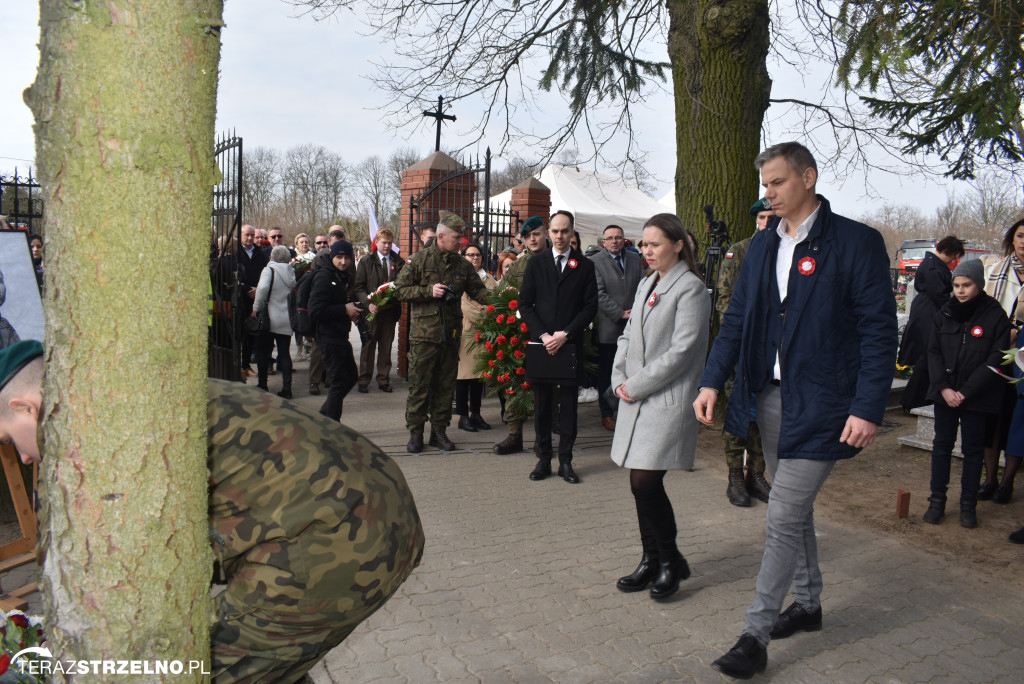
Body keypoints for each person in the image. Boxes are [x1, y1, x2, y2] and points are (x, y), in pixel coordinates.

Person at [0, 340, 424, 683]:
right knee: (269, 664)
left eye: (7, 439)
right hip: (379, 511)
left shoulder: (102, 434)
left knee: (194, 672)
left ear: (25, 408)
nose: (19, 456)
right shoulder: (127, 395)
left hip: (337, 540)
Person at [693, 141, 897, 679]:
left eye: (778, 183)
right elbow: (736, 320)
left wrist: (868, 407)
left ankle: (754, 635)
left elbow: (880, 332)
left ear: (808, 178)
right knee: (791, 509)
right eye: (765, 185)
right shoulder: (762, 246)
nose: (769, 194)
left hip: (828, 404)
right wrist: (713, 380)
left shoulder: (856, 242)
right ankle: (807, 604)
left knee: (781, 516)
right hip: (771, 399)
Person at [611, 213, 709, 600]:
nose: (646, 251)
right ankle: (653, 559)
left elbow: (682, 353)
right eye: (644, 244)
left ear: (678, 244)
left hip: (664, 399)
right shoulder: (647, 282)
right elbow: (627, 335)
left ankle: (668, 561)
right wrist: (619, 377)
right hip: (636, 395)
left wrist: (634, 386)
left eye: (654, 244)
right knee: (640, 484)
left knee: (645, 481)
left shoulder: (691, 290)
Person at [394, 212, 491, 453]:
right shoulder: (419, 260)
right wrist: (428, 291)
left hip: (450, 337)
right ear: (441, 236)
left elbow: (480, 293)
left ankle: (439, 432)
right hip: (423, 337)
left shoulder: (462, 265)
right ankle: (415, 433)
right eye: (457, 237)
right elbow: (399, 290)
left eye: (462, 237)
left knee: (445, 386)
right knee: (419, 386)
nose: (461, 242)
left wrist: (507, 300)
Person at [923, 259, 1010, 527]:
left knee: (973, 451)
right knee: (941, 447)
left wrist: (967, 391)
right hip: (945, 394)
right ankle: (937, 501)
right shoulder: (945, 312)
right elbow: (933, 352)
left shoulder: (995, 315)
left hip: (978, 396)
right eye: (956, 285)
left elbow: (997, 357)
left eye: (967, 285)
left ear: (979, 284)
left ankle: (968, 505)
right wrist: (945, 388)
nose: (960, 291)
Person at [519, 210, 599, 483]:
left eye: (565, 231)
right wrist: (543, 335)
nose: (560, 236)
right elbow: (525, 305)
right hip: (542, 345)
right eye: (555, 231)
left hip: (569, 345)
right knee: (541, 407)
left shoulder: (585, 266)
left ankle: (566, 461)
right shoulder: (536, 264)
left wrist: (565, 334)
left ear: (572, 232)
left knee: (568, 408)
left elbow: (590, 307)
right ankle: (543, 460)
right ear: (548, 232)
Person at [714, 198, 774, 507]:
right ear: (756, 221)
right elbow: (724, 301)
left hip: (772, 353)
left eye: (771, 216)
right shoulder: (738, 252)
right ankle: (735, 475)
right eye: (762, 217)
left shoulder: (785, 253)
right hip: (741, 349)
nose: (767, 222)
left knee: (763, 415)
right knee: (738, 412)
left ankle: (758, 474)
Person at [493, 216, 549, 455]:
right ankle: (514, 435)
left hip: (548, 335)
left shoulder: (556, 261)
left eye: (536, 233)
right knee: (515, 385)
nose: (532, 239)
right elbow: (500, 295)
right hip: (519, 334)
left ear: (545, 234)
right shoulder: (518, 264)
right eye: (527, 236)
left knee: (546, 389)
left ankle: (542, 438)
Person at [979, 216, 1024, 503]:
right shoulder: (996, 270)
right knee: (991, 417)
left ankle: (1007, 483)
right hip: (997, 351)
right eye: (1021, 236)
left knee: (1017, 419)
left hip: (1023, 357)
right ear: (1012, 239)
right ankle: (990, 479)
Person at [898, 235, 965, 410]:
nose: (954, 260)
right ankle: (913, 400)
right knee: (927, 356)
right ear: (952, 253)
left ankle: (917, 398)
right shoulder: (933, 267)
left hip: (927, 310)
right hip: (930, 312)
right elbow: (940, 295)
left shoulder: (932, 264)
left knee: (928, 357)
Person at [592, 224, 644, 431]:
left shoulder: (634, 259)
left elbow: (643, 285)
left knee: (631, 370)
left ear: (624, 240)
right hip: (609, 327)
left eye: (618, 237)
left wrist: (636, 311)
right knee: (607, 372)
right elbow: (598, 293)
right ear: (603, 242)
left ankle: (627, 410)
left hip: (634, 326)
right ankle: (606, 413)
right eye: (610, 238)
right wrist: (620, 313)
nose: (615, 241)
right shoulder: (595, 262)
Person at [308, 240, 360, 421]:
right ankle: (331, 425)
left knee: (351, 377)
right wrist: (344, 309)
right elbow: (315, 311)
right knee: (338, 382)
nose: (343, 262)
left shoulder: (341, 276)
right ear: (332, 258)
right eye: (339, 257)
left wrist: (350, 308)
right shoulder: (324, 277)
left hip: (339, 335)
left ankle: (324, 416)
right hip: (328, 337)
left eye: (347, 258)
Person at [354, 228, 404, 393]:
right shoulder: (366, 261)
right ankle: (364, 380)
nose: (387, 246)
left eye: (390, 243)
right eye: (384, 242)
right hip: (371, 312)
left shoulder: (398, 262)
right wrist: (367, 303)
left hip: (389, 313)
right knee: (368, 346)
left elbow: (402, 285)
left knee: (386, 347)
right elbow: (359, 286)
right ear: (376, 242)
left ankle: (383, 379)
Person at [455, 243, 498, 432]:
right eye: (470, 255)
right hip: (467, 333)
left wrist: (488, 311)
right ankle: (463, 416)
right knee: (464, 376)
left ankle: (476, 414)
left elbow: (497, 302)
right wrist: (486, 312)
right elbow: (466, 307)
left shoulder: (489, 278)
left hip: (486, 334)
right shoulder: (460, 278)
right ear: (463, 257)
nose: (475, 258)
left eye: (478, 254)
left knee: (480, 376)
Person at [252, 245, 298, 398]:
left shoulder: (269, 270)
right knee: (284, 353)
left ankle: (263, 384)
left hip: (269, 318)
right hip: (286, 318)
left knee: (263, 352)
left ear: (272, 257)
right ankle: (287, 388)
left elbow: (263, 289)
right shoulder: (291, 272)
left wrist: (256, 308)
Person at [238, 225, 269, 378]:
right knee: (238, 333)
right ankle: (236, 366)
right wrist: (245, 289)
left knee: (251, 332)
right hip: (240, 297)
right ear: (241, 235)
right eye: (247, 235)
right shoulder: (236, 252)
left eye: (252, 235)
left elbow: (265, 273)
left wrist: (258, 289)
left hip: (256, 297)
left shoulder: (260, 253)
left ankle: (246, 365)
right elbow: (233, 274)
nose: (249, 238)